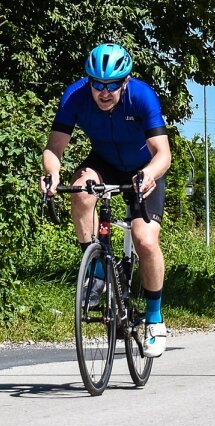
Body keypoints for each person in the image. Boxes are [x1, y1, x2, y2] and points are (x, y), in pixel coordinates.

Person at [39, 43, 171, 357]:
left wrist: (150, 173)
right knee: (81, 191)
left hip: (143, 169)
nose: (105, 92)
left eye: (113, 85)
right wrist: (51, 173)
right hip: (104, 161)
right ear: (89, 82)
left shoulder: (141, 96)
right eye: (98, 84)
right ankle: (96, 271)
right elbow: (54, 148)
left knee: (145, 240)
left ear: (125, 81)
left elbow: (163, 153)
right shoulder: (75, 96)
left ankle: (155, 318)